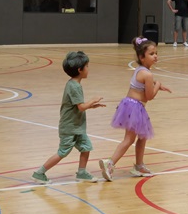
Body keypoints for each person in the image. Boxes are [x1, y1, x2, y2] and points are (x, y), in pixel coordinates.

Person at [99, 37, 171, 181]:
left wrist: (156, 84)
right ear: (141, 57)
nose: (155, 56)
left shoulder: (140, 70)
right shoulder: (147, 74)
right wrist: (158, 84)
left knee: (142, 136)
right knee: (129, 139)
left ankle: (139, 166)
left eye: (156, 53)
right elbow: (149, 96)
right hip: (135, 107)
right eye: (151, 54)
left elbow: (143, 83)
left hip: (129, 105)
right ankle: (110, 163)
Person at [32, 51, 106, 184]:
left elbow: (79, 106)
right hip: (70, 127)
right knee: (62, 152)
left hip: (77, 127)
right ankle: (39, 173)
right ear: (80, 70)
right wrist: (92, 100)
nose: (88, 68)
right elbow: (81, 107)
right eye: (87, 66)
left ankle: (82, 173)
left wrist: (91, 106)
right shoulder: (74, 86)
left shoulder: (74, 84)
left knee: (86, 147)